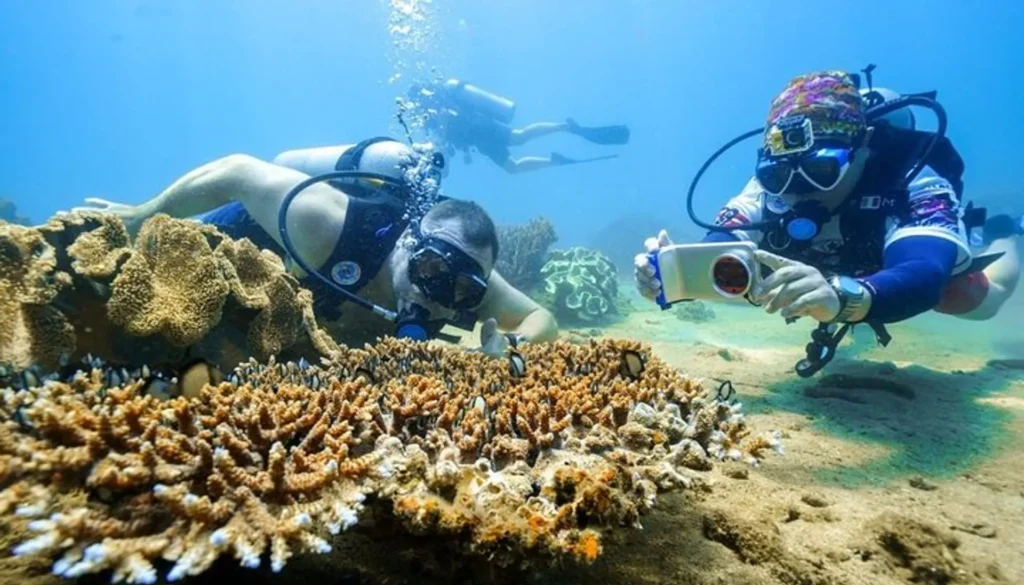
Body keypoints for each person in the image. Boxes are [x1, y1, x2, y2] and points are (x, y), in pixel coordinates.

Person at [67, 138, 558, 355]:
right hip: (247, 239)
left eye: (462, 293)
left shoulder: (464, 276)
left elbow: (544, 320)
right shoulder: (326, 223)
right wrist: (142, 214)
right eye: (429, 269)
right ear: (410, 243)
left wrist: (510, 346)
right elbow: (238, 170)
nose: (436, 297)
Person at [635, 70, 1020, 336]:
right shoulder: (762, 187)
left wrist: (844, 298)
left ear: (862, 150)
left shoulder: (911, 174)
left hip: (893, 262)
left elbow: (924, 270)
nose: (797, 189)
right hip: (837, 276)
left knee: (975, 301)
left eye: (818, 171)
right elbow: (719, 248)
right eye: (778, 176)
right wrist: (672, 274)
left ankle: (1006, 234)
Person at [408, 79, 630, 174]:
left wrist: (443, 132)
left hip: (480, 126)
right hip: (478, 140)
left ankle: (564, 127)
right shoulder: (432, 114)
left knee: (518, 137)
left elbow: (449, 121)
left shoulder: (439, 104)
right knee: (512, 167)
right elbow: (445, 141)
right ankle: (554, 160)